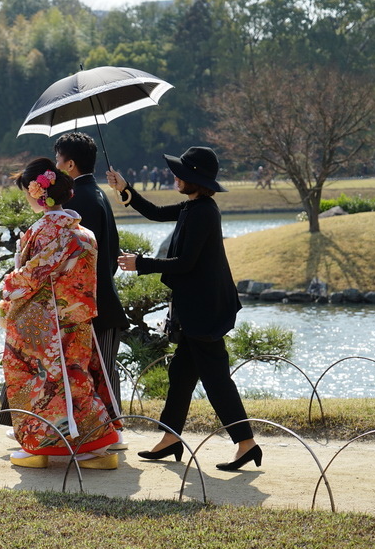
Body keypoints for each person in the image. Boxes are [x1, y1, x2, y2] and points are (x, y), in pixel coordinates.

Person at [106, 146, 261, 471]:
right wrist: (125, 189)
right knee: (181, 374)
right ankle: (171, 437)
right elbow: (156, 212)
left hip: (204, 312)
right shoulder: (195, 206)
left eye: (182, 174)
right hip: (196, 311)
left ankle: (246, 443)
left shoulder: (204, 211)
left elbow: (186, 262)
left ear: (196, 180)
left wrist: (141, 263)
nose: (176, 177)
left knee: (217, 379)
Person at [0, 157, 120, 470]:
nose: (27, 196)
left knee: (35, 380)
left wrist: (6, 290)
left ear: (38, 193)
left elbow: (31, 276)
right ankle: (95, 444)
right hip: (78, 319)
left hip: (45, 323)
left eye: (27, 190)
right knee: (77, 379)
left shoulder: (43, 231)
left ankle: (39, 446)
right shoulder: (84, 233)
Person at [54, 133, 129, 437]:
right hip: (102, 297)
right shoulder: (95, 193)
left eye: (58, 160)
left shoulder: (77, 200)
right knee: (102, 369)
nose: (56, 166)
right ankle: (106, 432)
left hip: (91, 301)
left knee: (99, 371)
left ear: (69, 164)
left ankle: (109, 433)